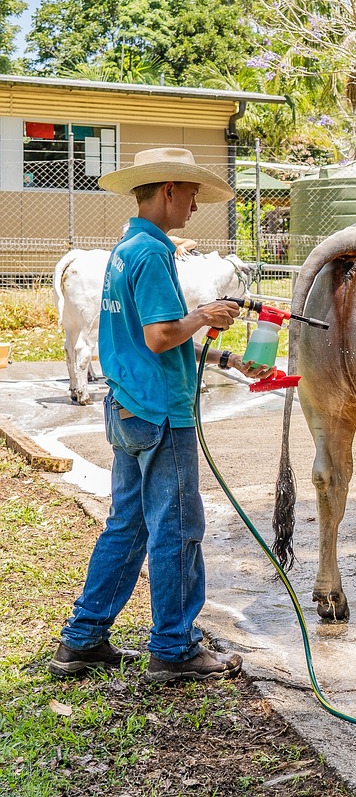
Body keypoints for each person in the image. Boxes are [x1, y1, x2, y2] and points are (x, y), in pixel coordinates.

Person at [49, 147, 274, 683]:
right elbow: (161, 334)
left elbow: (144, 335)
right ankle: (173, 648)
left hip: (128, 406)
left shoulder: (128, 248)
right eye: (192, 193)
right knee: (176, 527)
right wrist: (204, 314)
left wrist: (220, 356)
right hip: (160, 415)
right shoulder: (152, 253)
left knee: (126, 527)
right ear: (169, 190)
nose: (196, 205)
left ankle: (82, 640)